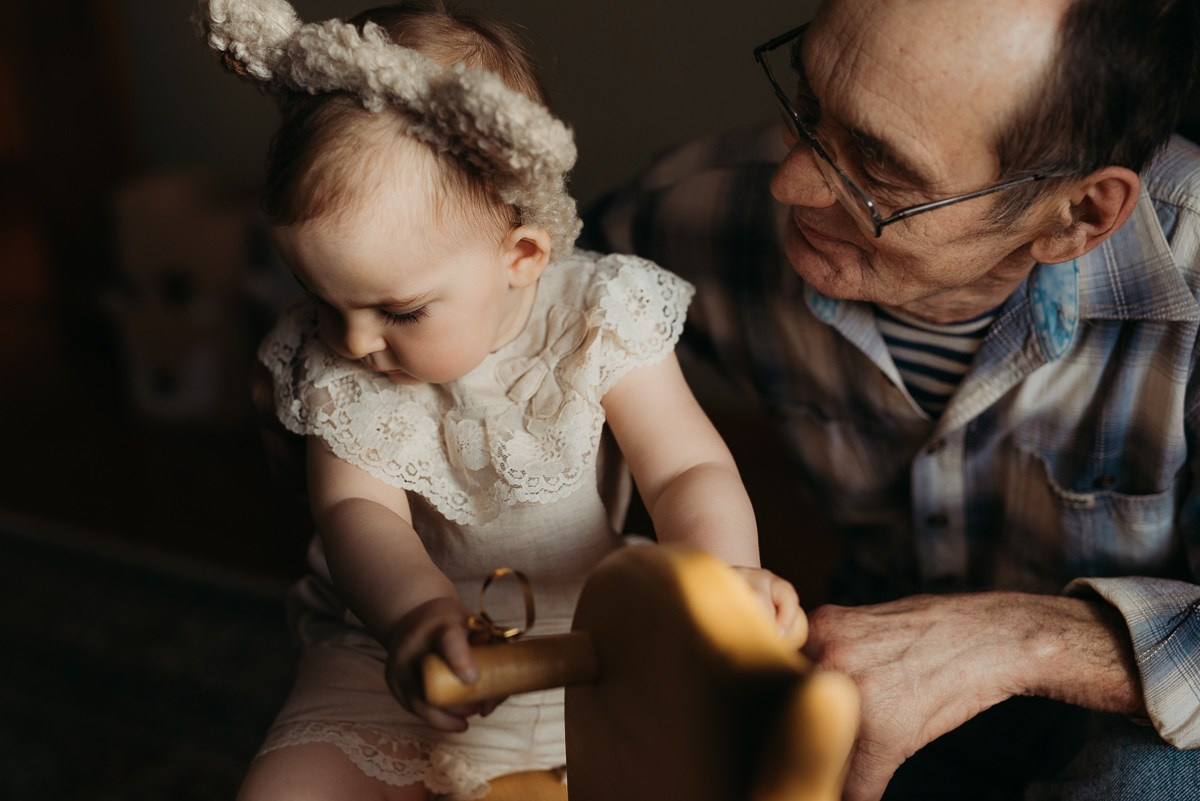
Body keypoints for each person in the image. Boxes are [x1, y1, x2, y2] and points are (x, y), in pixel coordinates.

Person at [585, 0, 1200, 799]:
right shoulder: (699, 217)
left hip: (1135, 712)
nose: (791, 182)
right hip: (866, 655)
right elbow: (508, 311)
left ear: (1078, 215)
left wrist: (1026, 642)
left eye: (877, 167)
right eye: (807, 107)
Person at [195, 0, 801, 799]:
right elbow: (357, 514)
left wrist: (726, 579)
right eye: (318, 295)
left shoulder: (597, 316)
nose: (351, 338)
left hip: (598, 634)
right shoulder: (339, 357)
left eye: (399, 310)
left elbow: (686, 467)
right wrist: (413, 616)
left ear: (520, 256)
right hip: (395, 648)